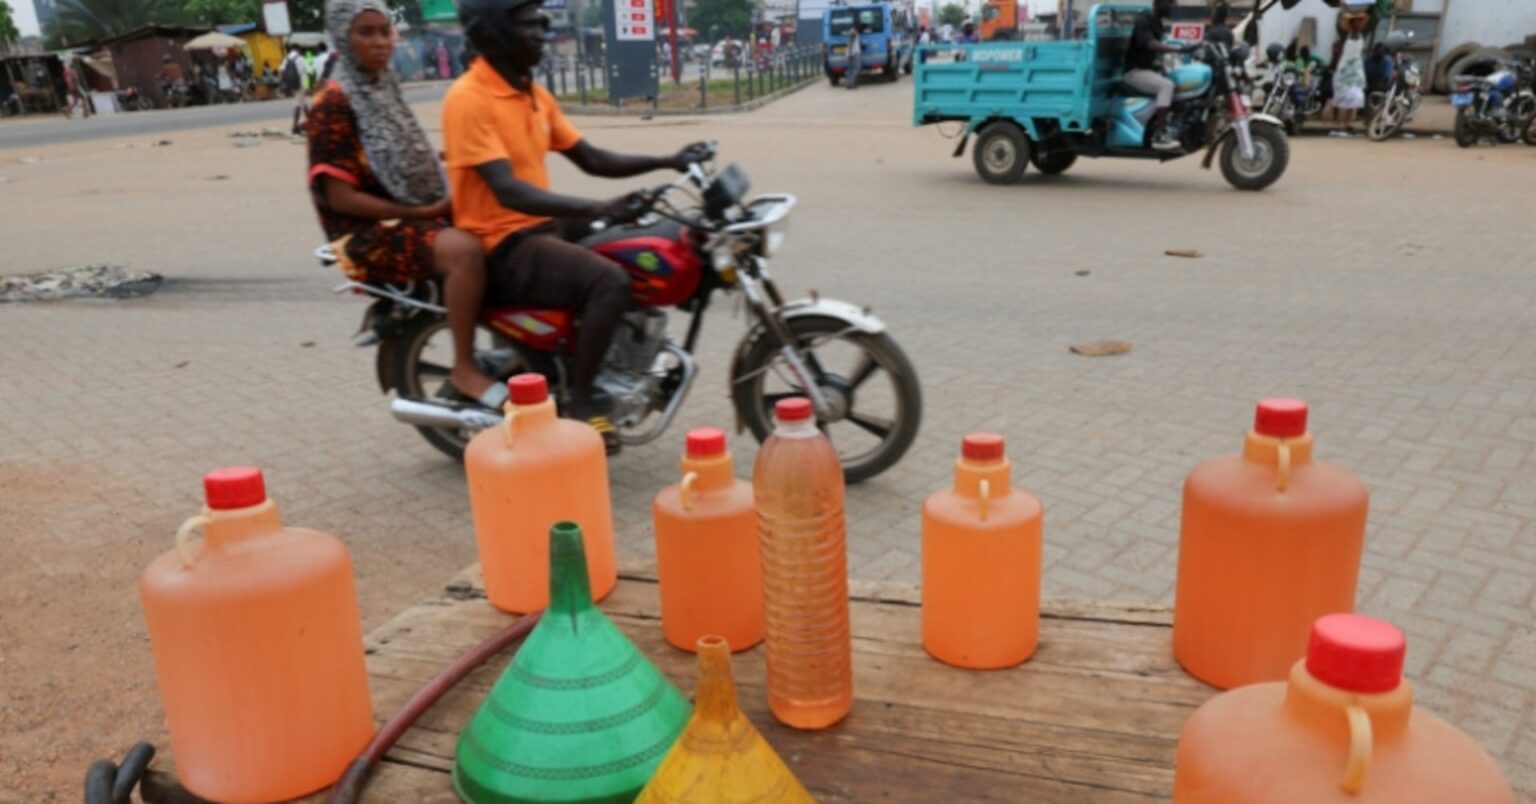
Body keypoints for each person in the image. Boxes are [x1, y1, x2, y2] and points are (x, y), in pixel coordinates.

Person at [441, 0, 710, 452]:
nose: (542, 32)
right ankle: (582, 407)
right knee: (609, 280)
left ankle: (607, 359)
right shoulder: (469, 98)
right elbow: (509, 191)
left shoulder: (531, 92)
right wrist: (599, 207)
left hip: (540, 228)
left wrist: (669, 161)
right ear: (495, 33)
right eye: (528, 24)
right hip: (502, 242)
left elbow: (591, 158)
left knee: (643, 240)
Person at [308, 0, 498, 409]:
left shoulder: (383, 84)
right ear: (343, 37)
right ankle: (464, 366)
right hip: (367, 233)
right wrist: (423, 213)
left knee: (499, 224)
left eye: (384, 32)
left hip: (410, 210)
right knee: (464, 252)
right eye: (366, 33)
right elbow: (341, 197)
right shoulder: (332, 103)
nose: (381, 42)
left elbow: (407, 154)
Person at [1124, 0, 1196, 150]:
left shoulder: (1157, 22)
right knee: (1166, 86)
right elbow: (1151, 44)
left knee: (1178, 82)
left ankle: (1174, 126)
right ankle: (1158, 134)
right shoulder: (1143, 21)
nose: (1171, 8)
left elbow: (1156, 52)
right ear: (1158, 3)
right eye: (1168, 3)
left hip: (1149, 70)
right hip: (1135, 72)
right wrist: (1179, 50)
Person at [1331, 29, 1366, 131]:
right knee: (1339, 97)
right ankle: (1336, 120)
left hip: (1355, 71)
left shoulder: (1360, 40)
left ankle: (1348, 121)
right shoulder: (1343, 44)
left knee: (1355, 98)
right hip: (1344, 70)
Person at [845, 23, 863, 89]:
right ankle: (851, 83)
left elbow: (853, 43)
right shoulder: (853, 33)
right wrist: (850, 54)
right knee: (856, 68)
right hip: (854, 54)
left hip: (852, 53)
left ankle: (848, 83)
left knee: (850, 69)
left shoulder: (853, 32)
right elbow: (850, 44)